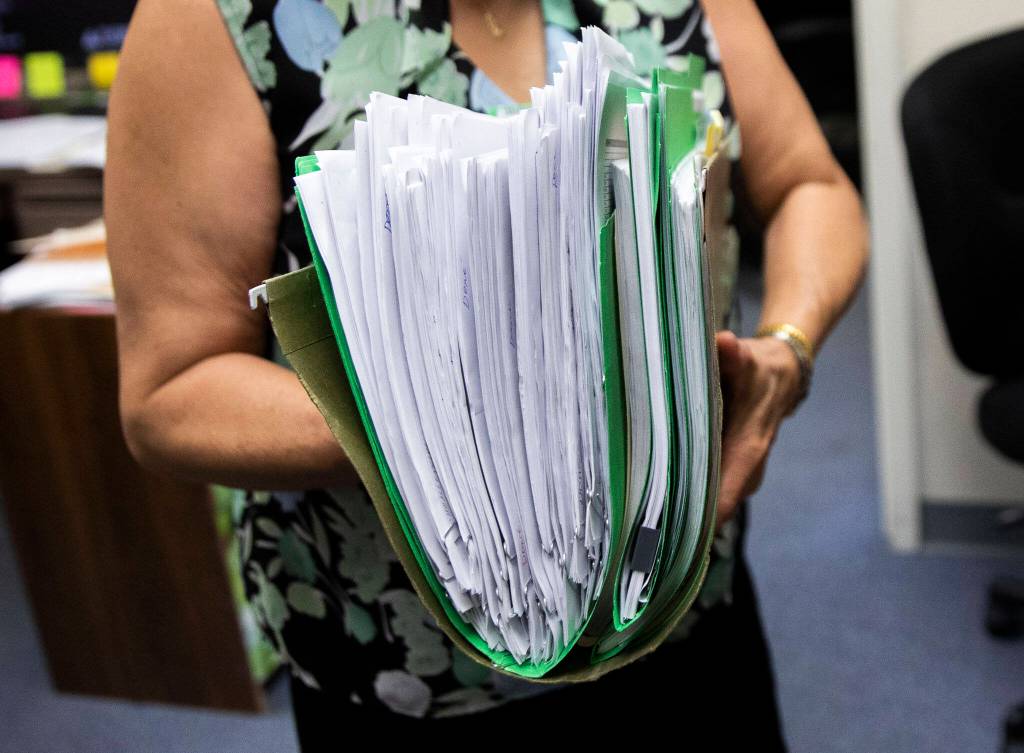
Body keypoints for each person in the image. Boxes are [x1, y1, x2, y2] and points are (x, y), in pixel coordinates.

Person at [105, 0, 868, 749]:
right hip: (408, 666)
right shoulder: (215, 16)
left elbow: (811, 184)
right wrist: (455, 428)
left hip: (677, 599)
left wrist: (786, 347)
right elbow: (172, 389)